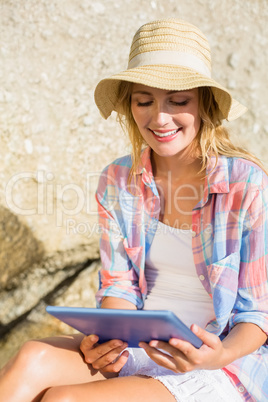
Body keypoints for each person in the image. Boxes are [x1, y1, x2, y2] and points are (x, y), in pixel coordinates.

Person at [0, 18, 267, 402]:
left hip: (217, 361)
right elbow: (119, 285)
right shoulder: (117, 179)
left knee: (64, 399)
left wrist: (219, 353)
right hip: (137, 347)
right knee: (30, 357)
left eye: (178, 100)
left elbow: (257, 314)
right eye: (144, 101)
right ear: (129, 105)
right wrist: (106, 340)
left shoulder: (247, 182)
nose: (159, 118)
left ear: (204, 104)